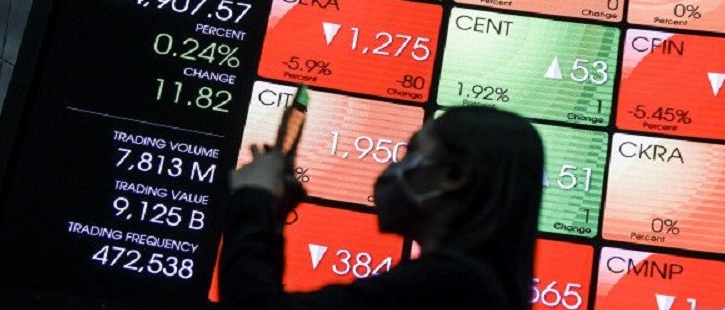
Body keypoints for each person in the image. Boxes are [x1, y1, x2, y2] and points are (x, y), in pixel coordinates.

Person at [219, 105, 545, 310]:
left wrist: (253, 196)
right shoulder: (480, 286)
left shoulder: (448, 286)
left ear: (455, 175)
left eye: (411, 153)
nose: (391, 169)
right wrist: (272, 216)